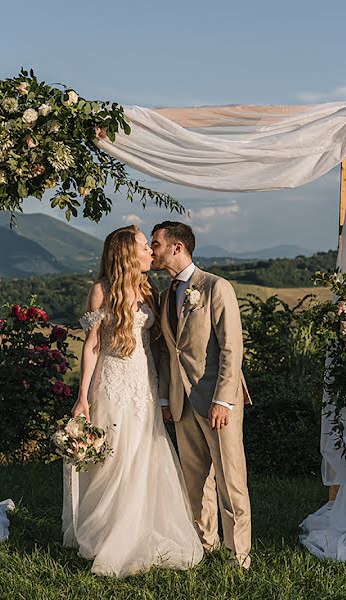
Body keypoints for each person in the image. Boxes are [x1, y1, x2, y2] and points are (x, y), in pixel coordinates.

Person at [62, 224, 203, 577]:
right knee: (115, 459)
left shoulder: (147, 287)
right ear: (128, 253)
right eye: (144, 246)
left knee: (144, 455)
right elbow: (92, 345)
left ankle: (142, 526)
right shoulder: (102, 290)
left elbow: (158, 342)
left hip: (144, 380)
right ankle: (109, 531)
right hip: (112, 383)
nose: (150, 252)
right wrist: (82, 396)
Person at [150, 220, 253, 570]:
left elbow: (231, 349)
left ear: (177, 248)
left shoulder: (215, 288)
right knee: (195, 483)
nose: (152, 250)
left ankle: (238, 555)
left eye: (157, 243)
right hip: (181, 402)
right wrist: (165, 399)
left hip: (216, 401)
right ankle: (205, 546)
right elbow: (167, 353)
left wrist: (224, 400)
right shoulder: (164, 297)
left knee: (230, 480)